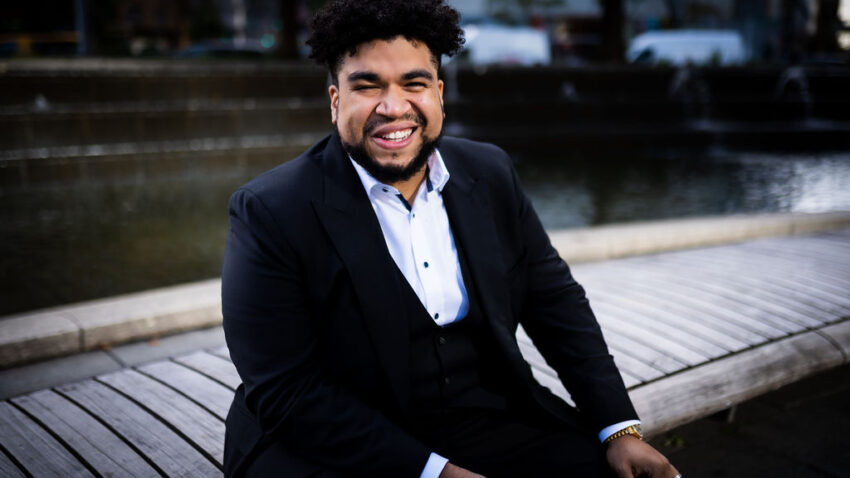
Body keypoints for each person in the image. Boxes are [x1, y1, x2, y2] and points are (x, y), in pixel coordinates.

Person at [221, 1, 680, 477]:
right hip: (326, 440)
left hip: (477, 419)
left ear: (439, 94)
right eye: (368, 86)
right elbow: (288, 392)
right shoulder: (270, 210)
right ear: (336, 101)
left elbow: (555, 303)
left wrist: (618, 429)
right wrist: (436, 473)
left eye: (413, 83)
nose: (393, 107)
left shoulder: (489, 171)